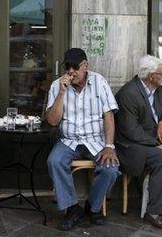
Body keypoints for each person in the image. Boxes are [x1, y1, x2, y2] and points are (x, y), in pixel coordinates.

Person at [115, 55, 162, 231]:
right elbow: (131, 131)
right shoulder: (129, 93)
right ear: (151, 76)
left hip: (151, 141)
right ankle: (155, 212)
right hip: (131, 146)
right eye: (161, 73)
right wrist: (154, 143)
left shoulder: (156, 88)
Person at [45, 48, 120, 231]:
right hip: (69, 140)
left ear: (85, 65)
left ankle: (92, 208)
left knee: (110, 169)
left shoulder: (99, 82)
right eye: (68, 67)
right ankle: (72, 210)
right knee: (54, 161)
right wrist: (62, 94)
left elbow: (109, 116)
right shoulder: (57, 85)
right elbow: (53, 121)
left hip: (96, 139)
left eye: (75, 67)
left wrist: (109, 146)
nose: (71, 71)